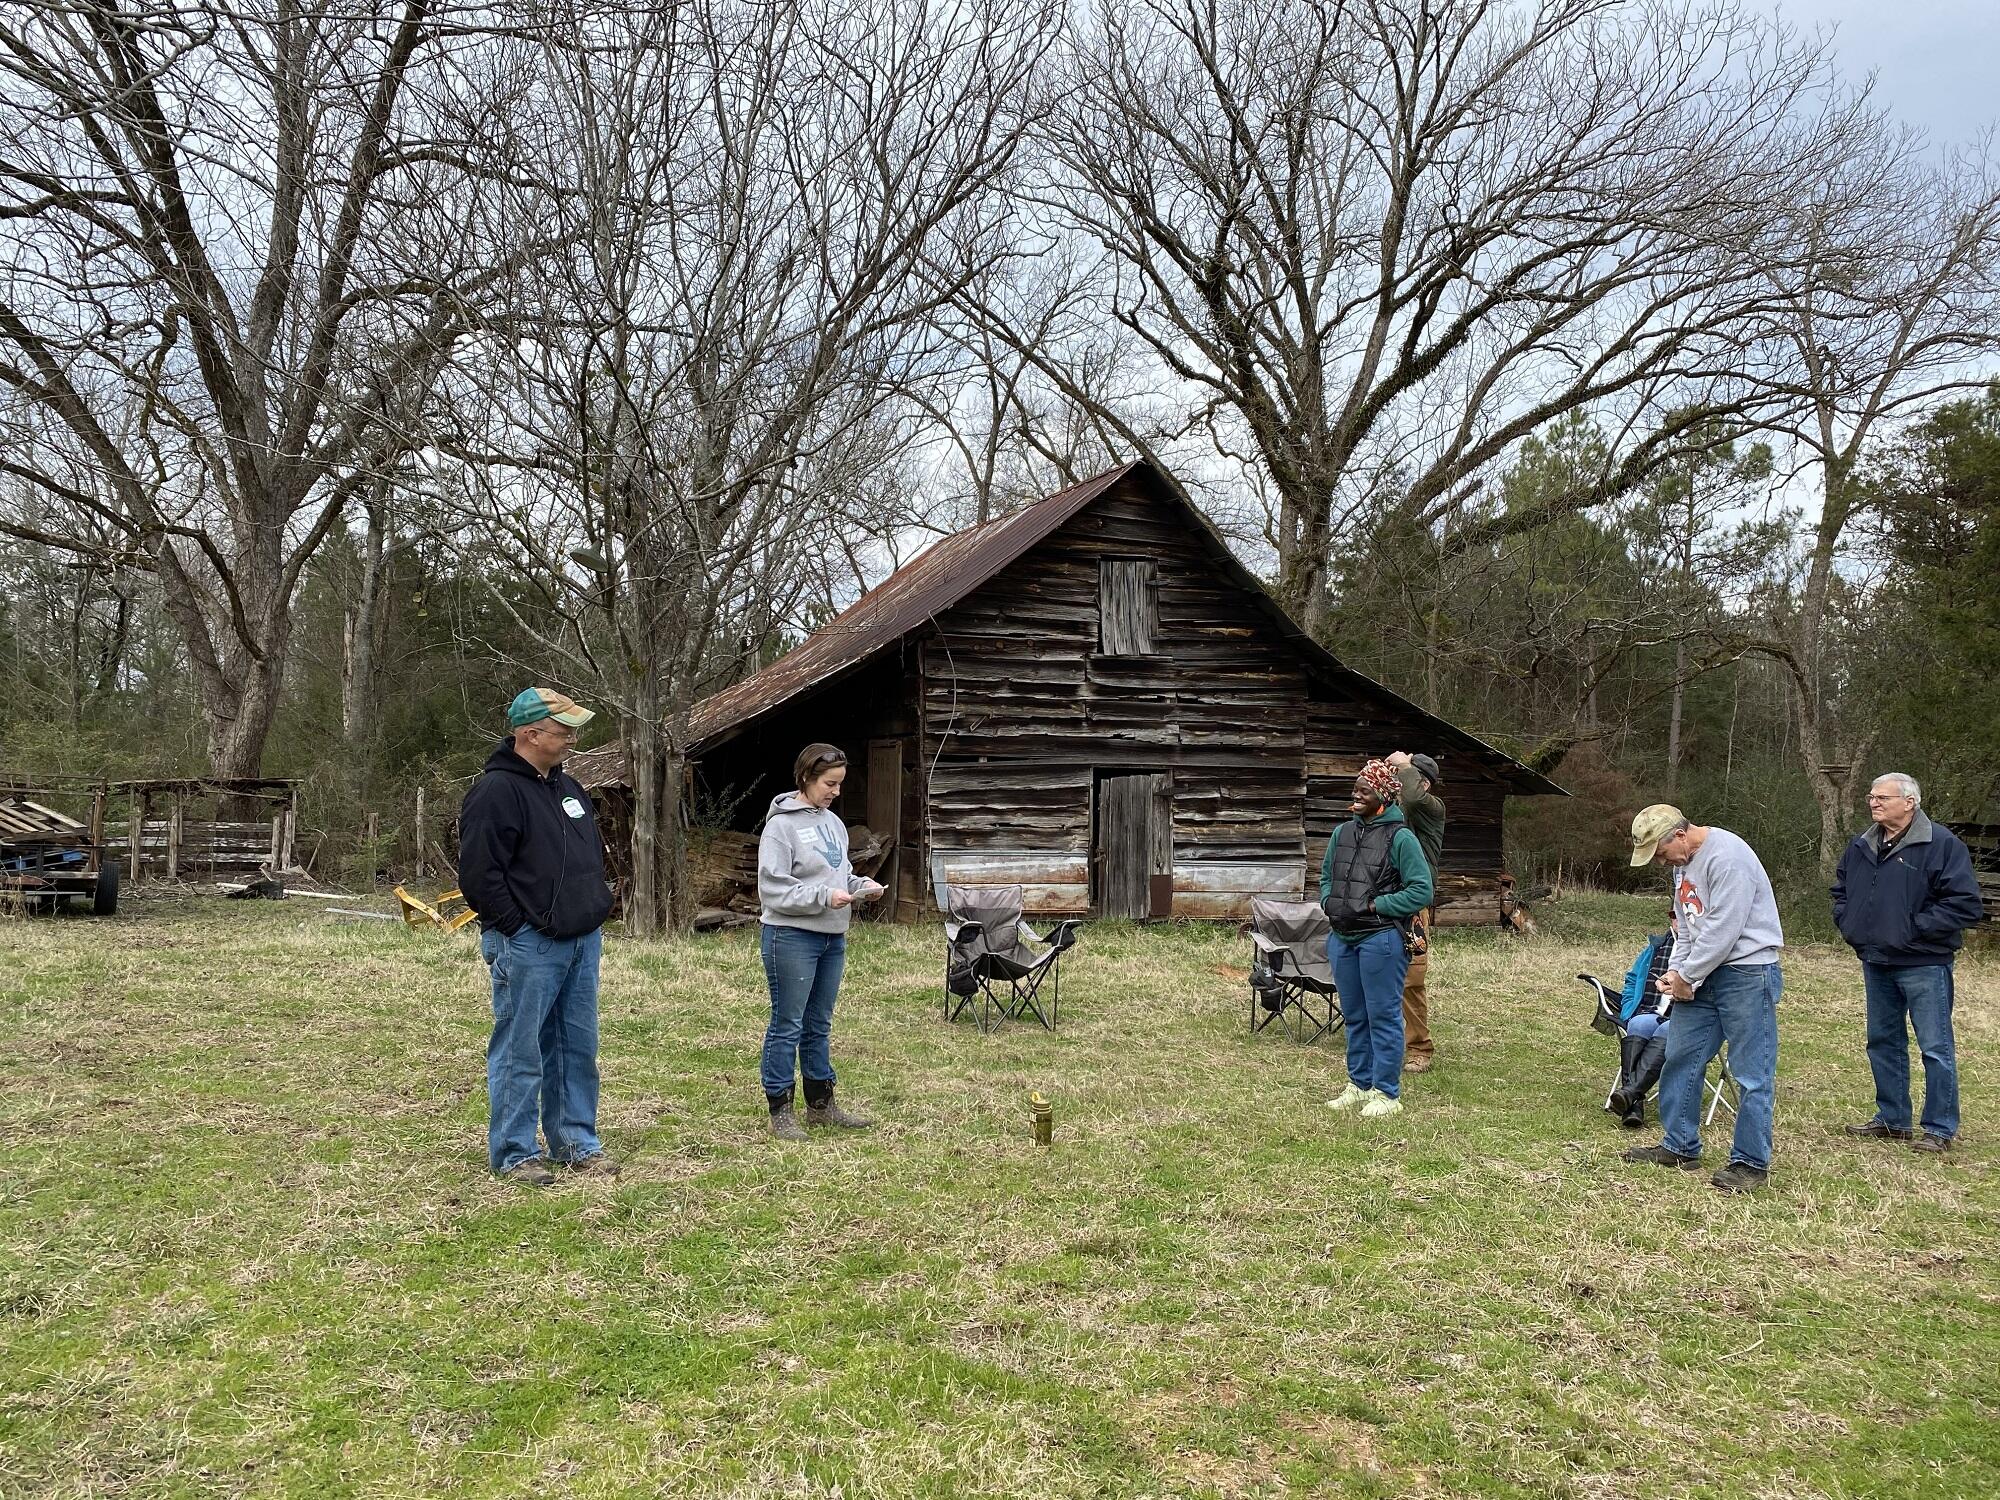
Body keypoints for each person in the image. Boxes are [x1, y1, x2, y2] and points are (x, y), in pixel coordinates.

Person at [457, 688, 618, 1187]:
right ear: (529, 733)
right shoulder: (495, 792)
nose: (571, 738)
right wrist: (515, 927)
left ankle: (574, 1141)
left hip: (580, 939)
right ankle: (514, 1151)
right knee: (521, 1048)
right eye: (563, 730)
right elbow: (480, 876)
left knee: (575, 1046)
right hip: (529, 944)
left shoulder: (567, 787)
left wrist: (594, 907)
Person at [1620, 804, 1784, 1193]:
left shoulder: (1728, 858)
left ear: (1679, 834)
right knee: (1681, 1056)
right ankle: (1679, 1146)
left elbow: (1723, 929)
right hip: (1702, 973)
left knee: (1751, 1070)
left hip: (1746, 972)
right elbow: (1688, 927)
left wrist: (1688, 975)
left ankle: (1750, 1163)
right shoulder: (1683, 865)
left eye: (1660, 853)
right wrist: (1676, 972)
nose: (1661, 862)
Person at [1833, 772, 1986, 1154]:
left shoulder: (1942, 844)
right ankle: (1892, 1119)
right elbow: (1841, 890)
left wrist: (1912, 929)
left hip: (1924, 962)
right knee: (1882, 1041)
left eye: (1882, 797)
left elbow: (1965, 904)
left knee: (1935, 1045)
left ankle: (1939, 1128)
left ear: (1910, 802)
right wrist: (1849, 923)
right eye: (1871, 796)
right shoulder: (1862, 845)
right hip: (1876, 958)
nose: (1873, 803)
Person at [757, 743, 884, 1141]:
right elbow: (773, 889)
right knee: (788, 1022)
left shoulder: (832, 823)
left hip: (833, 936)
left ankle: (821, 1105)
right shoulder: (780, 827)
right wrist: (821, 897)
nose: (835, 792)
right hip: (791, 936)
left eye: (840, 785)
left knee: (819, 1023)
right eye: (830, 783)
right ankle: (781, 1108)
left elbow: (838, 875)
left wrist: (861, 885)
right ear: (806, 777)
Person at [1321, 759, 1434, 1119]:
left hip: (1381, 939)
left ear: (1382, 796)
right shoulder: (1342, 833)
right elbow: (1327, 875)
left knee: (1382, 1015)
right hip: (1342, 938)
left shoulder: (1401, 838)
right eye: (1355, 789)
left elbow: (1421, 890)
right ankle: (1359, 1084)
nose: (1356, 795)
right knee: (1354, 1016)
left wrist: (1376, 905)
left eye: (1363, 790)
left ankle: (1387, 1093)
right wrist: (1328, 901)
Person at [1386, 750, 1446, 1073]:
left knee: (1412, 975)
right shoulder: (1399, 807)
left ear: (1423, 783)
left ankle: (1419, 1048)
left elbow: (1411, 795)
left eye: (1405, 777)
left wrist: (1404, 764)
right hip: (1387, 898)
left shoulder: (1432, 808)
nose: (1399, 784)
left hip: (1414, 902)